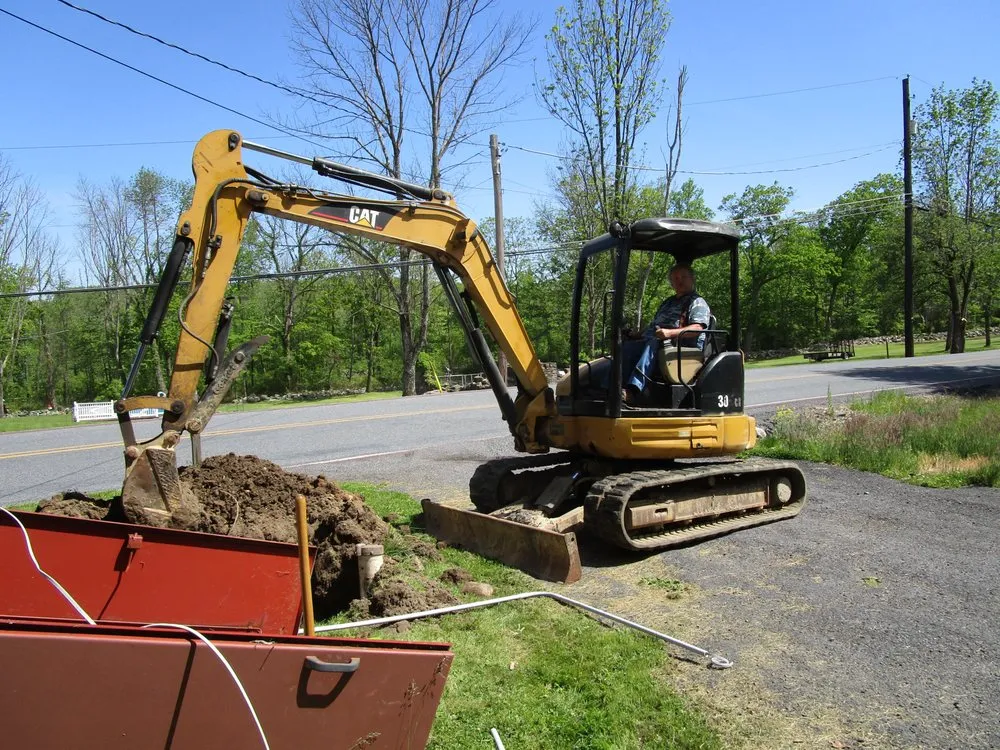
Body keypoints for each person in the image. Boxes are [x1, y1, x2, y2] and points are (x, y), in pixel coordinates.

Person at [622, 264, 710, 404]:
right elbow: (652, 327)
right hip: (661, 342)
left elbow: (697, 328)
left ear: (692, 279)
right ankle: (616, 388)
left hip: (683, 349)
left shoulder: (697, 302)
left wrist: (669, 333)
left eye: (683, 277)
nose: (679, 281)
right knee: (627, 347)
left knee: (654, 343)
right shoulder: (668, 302)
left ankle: (634, 390)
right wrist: (634, 335)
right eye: (675, 278)